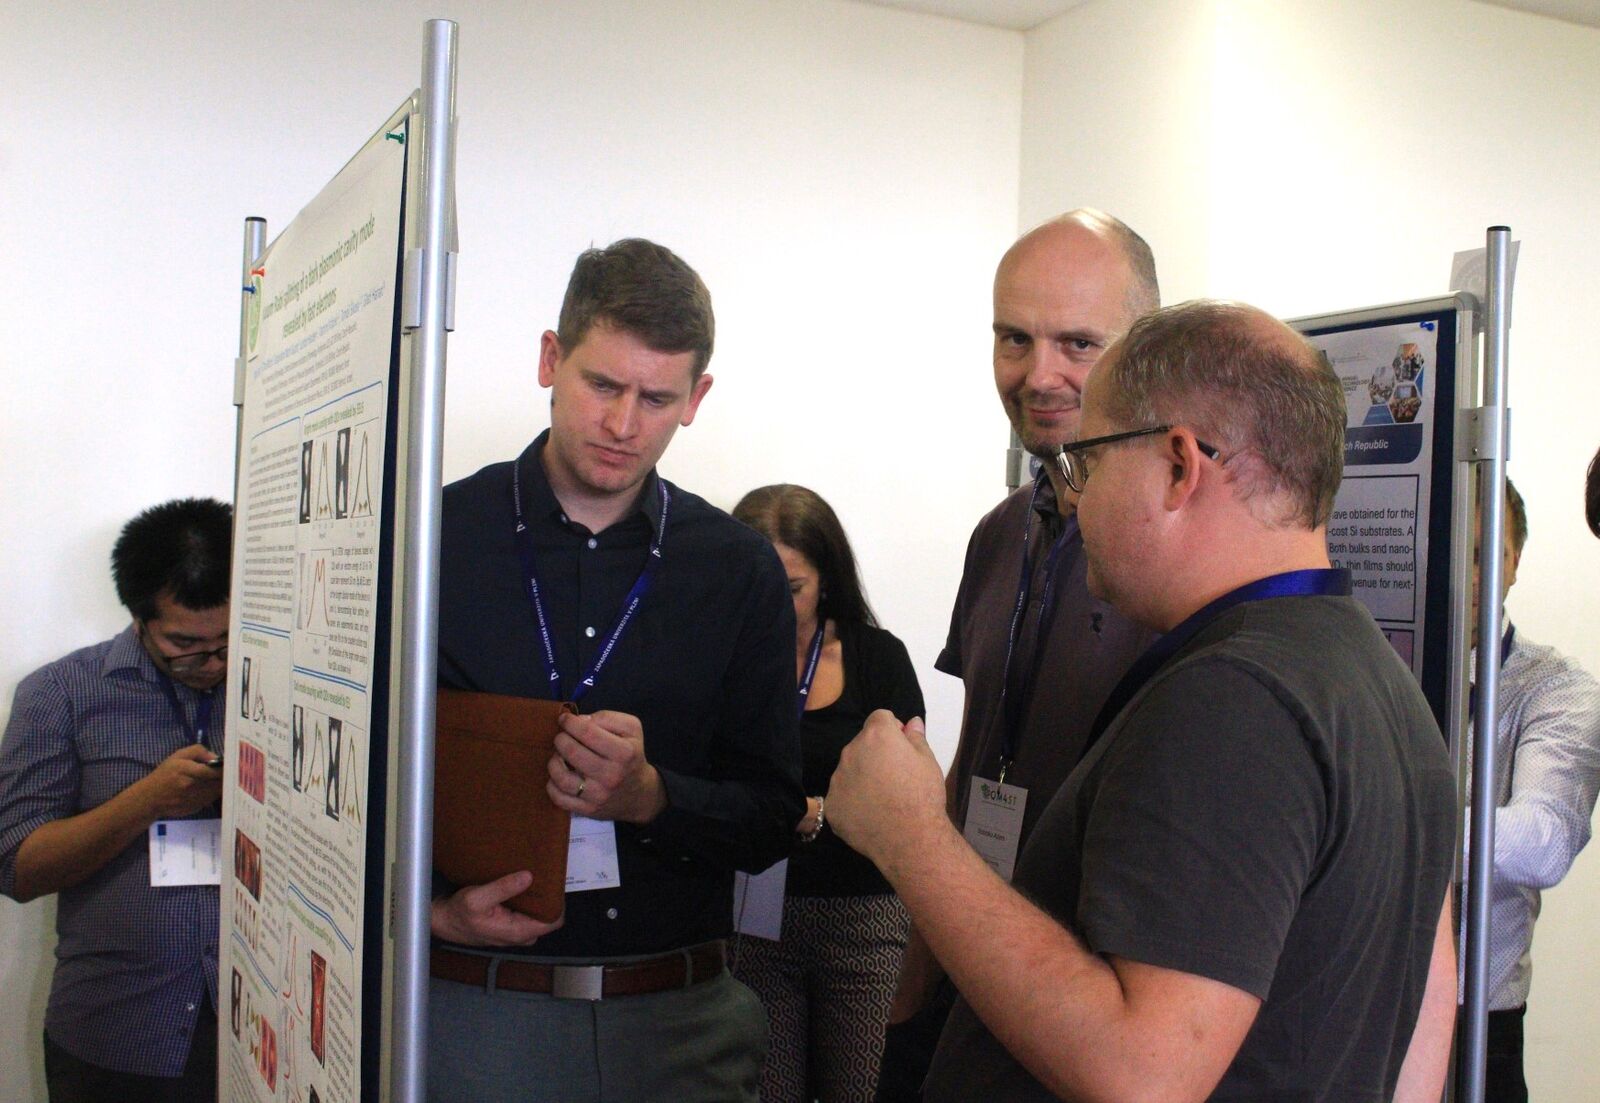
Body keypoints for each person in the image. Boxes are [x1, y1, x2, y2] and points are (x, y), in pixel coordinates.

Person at [829, 300, 1460, 1101]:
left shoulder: (1236, 700)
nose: (1074, 500)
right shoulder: (1378, 681)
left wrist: (910, 837)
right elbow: (1424, 1023)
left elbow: (1143, 1073)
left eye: (1087, 464)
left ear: (1177, 466)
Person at [427, 238, 804, 1102]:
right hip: (479, 1006)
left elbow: (773, 814)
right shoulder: (434, 538)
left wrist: (651, 796)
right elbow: (346, 781)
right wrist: (429, 913)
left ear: (696, 398)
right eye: (603, 385)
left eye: (657, 398)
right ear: (550, 360)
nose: (625, 424)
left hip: (678, 1021)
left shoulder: (737, 567)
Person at [877, 209, 1161, 1098]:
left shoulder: (1175, 547)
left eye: (1078, 343)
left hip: (1100, 1008)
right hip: (971, 971)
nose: (1039, 375)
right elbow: (977, 751)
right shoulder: (1002, 533)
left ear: (1144, 344)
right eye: (1014, 339)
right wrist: (916, 977)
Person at [0, 497, 232, 1103]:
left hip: (269, 1028)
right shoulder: (60, 693)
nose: (213, 664)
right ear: (138, 618)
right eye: (185, 644)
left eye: (228, 641)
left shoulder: (282, 686)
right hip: (118, 1027)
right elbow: (17, 867)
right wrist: (146, 802)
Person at [728, 484, 924, 1103]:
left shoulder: (877, 659)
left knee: (864, 1090)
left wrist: (813, 815)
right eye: (757, 585)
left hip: (864, 918)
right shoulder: (722, 658)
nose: (773, 605)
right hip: (755, 923)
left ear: (827, 581)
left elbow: (911, 797)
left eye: (791, 589)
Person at [1468, 478, 1600, 1102]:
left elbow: (1542, 842)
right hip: (1339, 1005)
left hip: (1480, 1023)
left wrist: (1381, 823)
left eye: (1482, 555)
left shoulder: (1554, 688)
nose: (1464, 578)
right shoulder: (1369, 670)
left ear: (1514, 560)